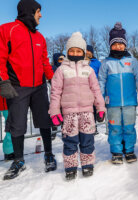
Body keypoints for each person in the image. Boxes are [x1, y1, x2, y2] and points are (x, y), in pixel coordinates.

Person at [0, 0, 56, 180]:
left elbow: (45, 62)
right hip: (17, 87)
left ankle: (48, 154)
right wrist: (3, 82)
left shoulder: (39, 37)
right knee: (17, 125)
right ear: (30, 11)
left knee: (45, 121)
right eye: (39, 11)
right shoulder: (7, 30)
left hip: (39, 87)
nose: (41, 15)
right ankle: (18, 160)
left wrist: (53, 80)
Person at [49, 32, 106, 180]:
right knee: (70, 141)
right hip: (69, 113)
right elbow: (55, 92)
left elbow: (96, 90)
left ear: (83, 52)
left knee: (88, 140)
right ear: (67, 52)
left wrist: (100, 108)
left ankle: (87, 165)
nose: (75, 53)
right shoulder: (61, 70)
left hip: (87, 112)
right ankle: (70, 167)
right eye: (72, 50)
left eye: (78, 50)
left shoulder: (89, 69)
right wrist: (55, 111)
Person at [99, 22, 138, 164]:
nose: (118, 46)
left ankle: (129, 150)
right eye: (115, 44)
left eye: (121, 43)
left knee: (129, 127)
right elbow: (101, 81)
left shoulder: (132, 61)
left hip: (129, 102)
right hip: (112, 103)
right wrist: (100, 101)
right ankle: (117, 151)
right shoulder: (106, 63)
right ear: (110, 46)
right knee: (114, 128)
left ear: (125, 44)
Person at [86, 45, 102, 135]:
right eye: (86, 50)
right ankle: (89, 127)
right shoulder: (82, 62)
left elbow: (101, 75)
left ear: (92, 52)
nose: (87, 52)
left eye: (89, 50)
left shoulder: (97, 63)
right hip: (85, 89)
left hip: (95, 89)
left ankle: (94, 126)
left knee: (95, 108)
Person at [0, 96, 14, 161]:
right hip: (5, 101)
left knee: (11, 126)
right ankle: (9, 151)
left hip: (8, 100)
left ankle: (9, 151)